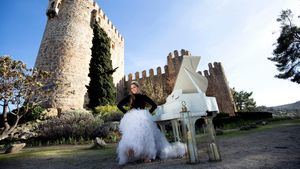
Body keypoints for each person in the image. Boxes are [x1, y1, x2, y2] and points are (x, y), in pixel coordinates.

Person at [116, 81, 186, 165]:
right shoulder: (130, 97)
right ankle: (132, 151)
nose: (133, 89)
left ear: (138, 87)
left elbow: (154, 105)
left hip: (143, 117)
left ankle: (147, 155)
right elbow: (119, 105)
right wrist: (127, 112)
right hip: (133, 117)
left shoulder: (143, 97)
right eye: (131, 88)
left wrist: (148, 113)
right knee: (133, 134)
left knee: (146, 136)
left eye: (134, 87)